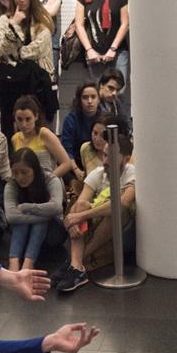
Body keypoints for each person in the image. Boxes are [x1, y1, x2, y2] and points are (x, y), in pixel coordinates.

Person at [59, 125, 136, 292]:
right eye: (105, 155)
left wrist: (79, 217)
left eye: (112, 156)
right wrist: (73, 219)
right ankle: (77, 267)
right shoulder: (98, 173)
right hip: (95, 222)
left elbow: (124, 203)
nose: (106, 161)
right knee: (79, 205)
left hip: (124, 230)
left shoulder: (131, 172)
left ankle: (75, 261)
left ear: (126, 158)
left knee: (116, 211)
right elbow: (81, 202)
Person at [0, 0, 56, 139]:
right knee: (11, 129)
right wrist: (14, 24)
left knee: (38, 128)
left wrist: (15, 50)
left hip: (35, 82)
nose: (22, 0)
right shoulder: (4, 19)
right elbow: (2, 49)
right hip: (10, 83)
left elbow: (37, 49)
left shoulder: (42, 20)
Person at [74, 0, 130, 116]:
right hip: (95, 51)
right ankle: (103, 128)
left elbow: (125, 23)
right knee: (100, 93)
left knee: (118, 91)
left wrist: (113, 48)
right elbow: (79, 24)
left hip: (118, 50)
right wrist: (89, 49)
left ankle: (123, 129)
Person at [5, 147, 63, 271]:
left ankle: (28, 263)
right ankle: (14, 262)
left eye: (24, 172)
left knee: (38, 221)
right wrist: (43, 213)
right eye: (15, 173)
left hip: (53, 233)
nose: (20, 177)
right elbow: (10, 216)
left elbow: (57, 207)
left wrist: (27, 207)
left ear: (34, 169)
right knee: (24, 221)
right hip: (23, 231)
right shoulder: (12, 183)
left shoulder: (50, 179)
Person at [11, 95, 75, 190]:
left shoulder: (44, 134)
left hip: (49, 188)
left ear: (36, 116)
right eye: (19, 119)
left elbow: (66, 163)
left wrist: (46, 182)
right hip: (25, 188)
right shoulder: (15, 138)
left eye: (28, 119)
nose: (24, 124)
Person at [60, 82, 98, 173]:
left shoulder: (105, 119)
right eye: (85, 97)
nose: (89, 101)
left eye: (93, 97)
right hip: (74, 165)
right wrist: (77, 171)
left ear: (99, 99)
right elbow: (67, 151)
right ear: (79, 100)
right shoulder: (70, 120)